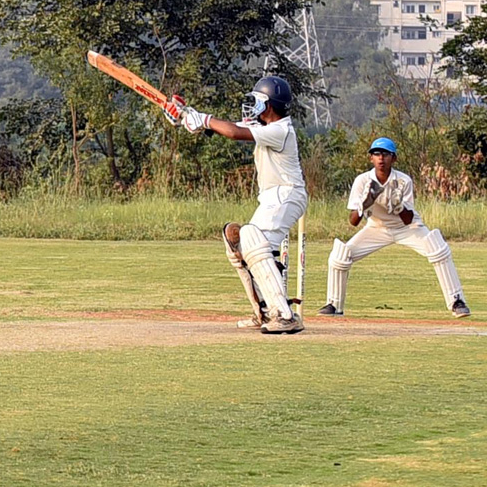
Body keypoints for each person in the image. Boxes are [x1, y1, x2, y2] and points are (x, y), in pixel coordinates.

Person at [166, 77, 307, 334]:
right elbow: (227, 127)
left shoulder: (281, 130)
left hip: (287, 194)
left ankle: (285, 316)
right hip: (272, 197)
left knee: (251, 238)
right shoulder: (266, 126)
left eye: (257, 101)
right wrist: (188, 117)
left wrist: (205, 119)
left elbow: (233, 132)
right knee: (238, 245)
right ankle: (264, 312)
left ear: (269, 105)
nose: (252, 106)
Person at [319, 137, 470, 319]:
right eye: (376, 154)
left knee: (438, 248)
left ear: (393, 158)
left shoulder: (403, 181)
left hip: (408, 228)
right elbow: (353, 221)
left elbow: (407, 220)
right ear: (371, 158)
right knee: (340, 256)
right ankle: (334, 305)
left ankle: (456, 301)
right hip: (376, 228)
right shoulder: (362, 181)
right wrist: (365, 204)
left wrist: (398, 206)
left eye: (385, 154)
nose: (381, 158)